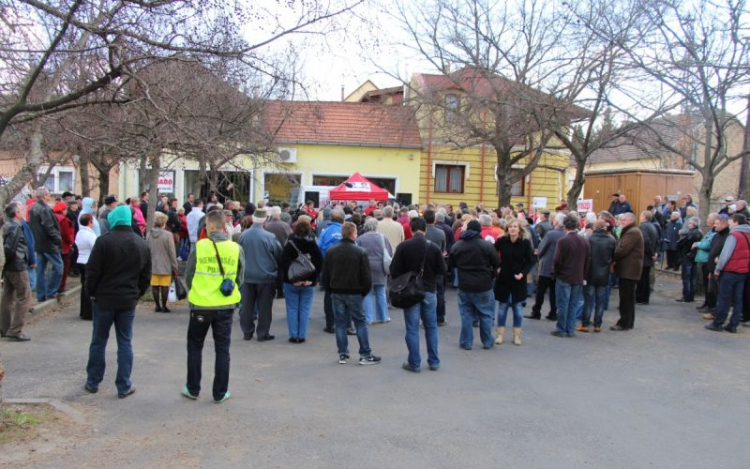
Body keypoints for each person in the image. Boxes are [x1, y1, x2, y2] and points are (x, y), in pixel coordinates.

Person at [84, 205, 150, 397]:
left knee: (98, 341)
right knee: (125, 342)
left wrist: (92, 293)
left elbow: (93, 271)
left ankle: (93, 381)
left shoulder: (104, 242)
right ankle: (124, 385)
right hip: (127, 300)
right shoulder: (141, 244)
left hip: (104, 299)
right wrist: (136, 294)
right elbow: (146, 275)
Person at [181, 209, 244, 403]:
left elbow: (189, 276)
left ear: (209, 225)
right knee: (222, 349)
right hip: (225, 306)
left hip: (201, 304)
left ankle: (193, 388)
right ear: (225, 226)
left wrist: (198, 290)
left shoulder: (200, 247)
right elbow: (240, 278)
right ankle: (220, 392)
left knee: (195, 347)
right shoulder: (235, 248)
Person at [322, 222, 382, 366]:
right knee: (360, 323)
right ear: (354, 234)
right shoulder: (360, 252)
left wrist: (330, 290)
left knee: (340, 323)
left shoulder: (331, 251)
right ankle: (365, 354)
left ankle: (343, 353)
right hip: (355, 292)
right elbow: (367, 277)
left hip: (337, 291)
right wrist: (363, 292)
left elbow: (325, 275)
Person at [391, 217, 445, 372]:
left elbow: (394, 270)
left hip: (410, 292)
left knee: (412, 328)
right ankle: (434, 361)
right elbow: (442, 270)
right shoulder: (433, 247)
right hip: (429, 290)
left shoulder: (403, 246)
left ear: (411, 230)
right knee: (431, 327)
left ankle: (414, 363)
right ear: (425, 229)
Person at [448, 220, 500, 350]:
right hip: (484, 284)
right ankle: (487, 341)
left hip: (465, 285)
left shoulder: (458, 245)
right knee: (486, 314)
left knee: (466, 314)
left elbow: (451, 264)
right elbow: (496, 263)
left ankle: (466, 342)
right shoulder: (487, 246)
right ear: (479, 231)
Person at [238, 208, 282, 342]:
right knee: (264, 308)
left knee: (246, 306)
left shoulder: (243, 235)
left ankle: (247, 331)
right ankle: (262, 333)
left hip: (247, 275)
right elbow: (278, 254)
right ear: (265, 221)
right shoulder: (269, 237)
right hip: (265, 276)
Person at [279, 216, 323, 343]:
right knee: (305, 309)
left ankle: (293, 334)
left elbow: (284, 262)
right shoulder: (313, 244)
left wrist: (291, 279)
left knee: (292, 308)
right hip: (309, 283)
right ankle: (302, 335)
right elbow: (319, 262)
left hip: (292, 282)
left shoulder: (290, 244)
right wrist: (312, 279)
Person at [705, 213, 750, 333]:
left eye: (731, 221)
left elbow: (726, 254)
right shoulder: (748, 234)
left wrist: (718, 269)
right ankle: (733, 325)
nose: (729, 223)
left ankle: (718, 323)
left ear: (736, 222)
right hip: (743, 271)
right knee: (738, 299)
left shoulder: (734, 235)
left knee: (724, 298)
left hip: (730, 271)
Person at [493, 218, 534, 345]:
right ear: (507, 229)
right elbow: (492, 254)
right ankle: (500, 335)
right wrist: (497, 267)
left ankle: (517, 336)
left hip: (518, 278)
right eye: (510, 227)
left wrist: (523, 273)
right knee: (502, 308)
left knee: (517, 308)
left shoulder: (525, 243)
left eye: (515, 227)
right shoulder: (501, 240)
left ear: (520, 229)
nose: (512, 229)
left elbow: (530, 261)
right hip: (503, 278)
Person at [550, 214, 590, 338]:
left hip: (564, 277)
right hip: (577, 276)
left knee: (563, 304)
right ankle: (570, 329)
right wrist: (583, 275)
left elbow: (557, 260)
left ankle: (561, 329)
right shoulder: (584, 240)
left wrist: (554, 273)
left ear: (565, 225)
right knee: (573, 304)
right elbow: (588, 260)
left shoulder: (563, 241)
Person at [1, 202, 32, 341]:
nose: (24, 211)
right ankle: (15, 330)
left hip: (10, 265)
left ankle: (4, 327)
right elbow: (9, 248)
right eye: (21, 209)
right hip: (17, 266)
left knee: (7, 296)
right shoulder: (14, 227)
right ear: (16, 213)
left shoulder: (8, 226)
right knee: (24, 297)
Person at [578, 220, 616, 332]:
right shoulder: (611, 240)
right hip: (603, 273)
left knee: (588, 300)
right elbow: (614, 256)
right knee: (600, 301)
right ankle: (597, 325)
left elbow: (584, 256)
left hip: (589, 273)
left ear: (595, 227)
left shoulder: (589, 239)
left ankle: (585, 324)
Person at [526, 213, 565, 320]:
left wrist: (539, 256)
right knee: (554, 291)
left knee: (541, 291)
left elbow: (541, 248)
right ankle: (553, 312)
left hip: (547, 266)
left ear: (556, 222)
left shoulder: (551, 234)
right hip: (560, 268)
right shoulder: (566, 234)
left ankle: (536, 312)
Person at [28, 187, 63, 302]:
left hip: (39, 243)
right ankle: (51, 292)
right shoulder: (44, 209)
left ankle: (41, 295)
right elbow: (49, 227)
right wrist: (58, 239)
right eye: (48, 194)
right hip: (48, 243)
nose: (50, 196)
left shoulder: (33, 208)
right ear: (44, 196)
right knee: (58, 267)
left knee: (41, 270)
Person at [611, 212, 644, 331]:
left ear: (630, 220)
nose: (621, 222)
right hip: (628, 269)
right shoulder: (632, 231)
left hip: (629, 270)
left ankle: (624, 323)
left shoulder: (633, 232)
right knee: (628, 298)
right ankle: (628, 321)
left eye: (624, 220)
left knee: (626, 298)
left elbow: (622, 250)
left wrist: (612, 256)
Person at [356, 218, 393, 324]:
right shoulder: (382, 237)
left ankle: (369, 318)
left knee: (367, 293)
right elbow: (389, 252)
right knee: (381, 292)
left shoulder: (361, 238)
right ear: (376, 226)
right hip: (380, 266)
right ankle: (384, 316)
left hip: (365, 266)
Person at [318, 208, 345, 333]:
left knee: (329, 294)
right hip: (345, 267)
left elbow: (319, 247)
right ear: (343, 219)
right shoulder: (346, 230)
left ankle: (330, 324)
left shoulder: (325, 231)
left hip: (328, 267)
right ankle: (343, 322)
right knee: (345, 294)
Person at [147, 212, 179, 313]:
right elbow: (172, 252)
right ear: (164, 223)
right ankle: (164, 305)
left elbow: (146, 249)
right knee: (165, 286)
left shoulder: (149, 234)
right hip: (165, 264)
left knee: (155, 286)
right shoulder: (168, 235)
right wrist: (175, 266)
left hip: (153, 263)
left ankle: (157, 305)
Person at [701, 215, 731, 316]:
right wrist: (710, 270)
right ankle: (713, 309)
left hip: (719, 270)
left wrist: (716, 268)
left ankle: (717, 313)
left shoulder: (727, 237)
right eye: (715, 223)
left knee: (718, 293)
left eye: (717, 224)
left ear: (724, 224)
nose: (715, 226)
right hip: (712, 269)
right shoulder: (717, 235)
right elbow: (712, 251)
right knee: (712, 290)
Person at [424, 210, 448, 326]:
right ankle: (440, 317)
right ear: (434, 219)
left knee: (424, 291)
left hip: (423, 265)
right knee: (439, 291)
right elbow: (443, 248)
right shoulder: (440, 232)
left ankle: (425, 318)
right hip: (437, 264)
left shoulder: (423, 232)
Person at [75, 214, 97, 321]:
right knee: (89, 287)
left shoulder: (79, 233)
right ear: (89, 222)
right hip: (88, 261)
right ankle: (89, 312)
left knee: (84, 286)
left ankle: (83, 311)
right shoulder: (90, 234)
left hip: (80, 260)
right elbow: (95, 247)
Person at [676, 217, 703, 303]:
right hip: (694, 257)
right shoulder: (700, 233)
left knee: (686, 277)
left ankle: (686, 295)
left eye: (690, 223)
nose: (689, 225)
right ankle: (691, 295)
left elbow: (680, 243)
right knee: (692, 277)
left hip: (687, 256)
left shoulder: (690, 233)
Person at [636, 211, 660, 305]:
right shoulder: (653, 226)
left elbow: (645, 241)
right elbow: (657, 241)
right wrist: (655, 253)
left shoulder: (643, 226)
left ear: (644, 217)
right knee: (645, 278)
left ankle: (641, 298)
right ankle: (644, 298)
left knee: (642, 279)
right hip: (649, 256)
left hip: (645, 256)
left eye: (641, 215)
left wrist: (652, 253)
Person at [52, 202, 75, 294]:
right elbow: (66, 234)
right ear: (62, 210)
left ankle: (55, 286)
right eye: (65, 209)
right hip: (64, 246)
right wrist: (70, 243)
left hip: (55, 245)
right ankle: (61, 287)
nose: (67, 211)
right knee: (65, 266)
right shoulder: (63, 220)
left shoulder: (52, 217)